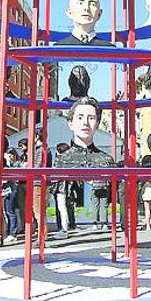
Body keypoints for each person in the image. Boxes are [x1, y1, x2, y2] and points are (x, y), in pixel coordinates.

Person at [54, 97, 113, 240]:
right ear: (70, 123)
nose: (85, 123)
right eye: (80, 117)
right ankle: (65, 226)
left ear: (97, 123)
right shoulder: (62, 159)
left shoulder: (106, 160)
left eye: (91, 118)